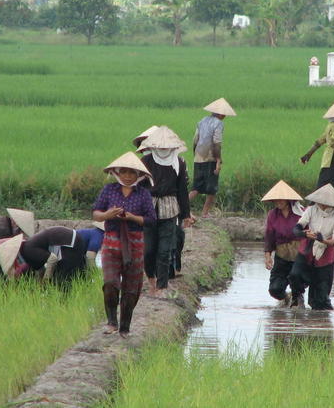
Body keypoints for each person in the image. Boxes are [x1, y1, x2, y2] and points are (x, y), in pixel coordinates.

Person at [92, 152, 156, 338]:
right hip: (111, 243)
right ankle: (112, 322)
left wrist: (132, 217)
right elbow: (96, 213)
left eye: (132, 173)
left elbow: (151, 220)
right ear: (117, 173)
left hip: (135, 244)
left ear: (139, 175)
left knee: (131, 288)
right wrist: (107, 215)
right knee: (111, 283)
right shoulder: (109, 190)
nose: (128, 176)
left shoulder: (143, 194)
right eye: (124, 172)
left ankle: (125, 327)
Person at [137, 126, 193, 296]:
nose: (162, 148)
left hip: (170, 209)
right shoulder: (146, 161)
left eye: (166, 146)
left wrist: (186, 215)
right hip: (149, 208)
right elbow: (138, 186)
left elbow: (182, 190)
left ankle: (162, 287)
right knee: (148, 250)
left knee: (164, 250)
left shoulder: (179, 163)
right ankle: (151, 281)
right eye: (160, 146)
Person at [288, 183, 334, 310]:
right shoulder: (311, 210)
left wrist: (323, 240)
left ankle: (321, 320)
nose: (320, 203)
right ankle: (297, 297)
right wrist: (303, 233)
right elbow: (298, 227)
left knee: (320, 301)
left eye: (323, 202)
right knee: (295, 275)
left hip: (325, 256)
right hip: (307, 251)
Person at [0, 226, 87, 289]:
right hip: (71, 239)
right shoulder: (28, 251)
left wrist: (46, 280)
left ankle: (64, 305)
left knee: (62, 281)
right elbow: (40, 269)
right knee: (75, 278)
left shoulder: (28, 250)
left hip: (68, 242)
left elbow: (52, 258)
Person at [189, 98, 237, 218]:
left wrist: (196, 155)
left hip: (198, 158)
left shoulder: (202, 121)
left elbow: (195, 140)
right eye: (224, 114)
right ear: (221, 114)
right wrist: (218, 161)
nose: (225, 116)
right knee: (212, 189)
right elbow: (216, 144)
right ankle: (205, 213)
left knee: (196, 188)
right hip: (210, 158)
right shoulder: (219, 124)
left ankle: (180, 208)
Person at [262, 180, 306, 308]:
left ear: (288, 199)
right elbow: (269, 237)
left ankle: (297, 297)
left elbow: (309, 235)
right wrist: (268, 256)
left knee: (296, 282)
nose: (278, 202)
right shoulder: (272, 215)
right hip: (281, 258)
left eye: (281, 199)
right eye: (276, 200)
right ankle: (286, 298)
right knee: (274, 289)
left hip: (298, 258)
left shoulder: (301, 213)